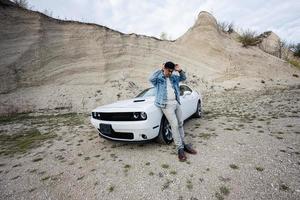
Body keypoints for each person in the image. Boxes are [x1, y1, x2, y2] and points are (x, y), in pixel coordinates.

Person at [149, 61, 197, 161]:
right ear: (165, 69)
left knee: (180, 123)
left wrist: (180, 70)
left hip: (176, 102)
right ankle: (180, 148)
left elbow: (183, 78)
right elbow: (150, 79)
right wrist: (160, 70)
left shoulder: (174, 78)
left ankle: (184, 144)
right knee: (174, 125)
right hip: (166, 104)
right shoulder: (159, 78)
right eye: (168, 71)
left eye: (172, 71)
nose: (170, 73)